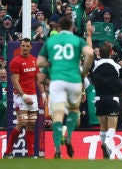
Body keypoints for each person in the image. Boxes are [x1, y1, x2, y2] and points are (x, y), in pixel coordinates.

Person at [36, 16, 94, 158]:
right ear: (72, 27)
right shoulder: (77, 40)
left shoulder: (51, 40)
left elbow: (39, 62)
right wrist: (84, 72)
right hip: (74, 80)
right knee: (74, 111)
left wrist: (53, 65)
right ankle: (69, 137)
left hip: (57, 81)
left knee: (57, 115)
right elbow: (90, 53)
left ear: (58, 28)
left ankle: (57, 149)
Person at [3, 38, 47, 158]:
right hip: (20, 96)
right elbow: (14, 81)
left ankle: (31, 154)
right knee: (22, 123)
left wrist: (43, 94)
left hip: (33, 95)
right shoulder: (15, 62)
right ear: (20, 46)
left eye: (27, 46)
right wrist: (23, 96)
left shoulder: (34, 60)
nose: (25, 48)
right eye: (23, 46)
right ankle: (7, 152)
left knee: (31, 124)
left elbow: (38, 79)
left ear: (31, 47)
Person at [90, 43, 122, 159]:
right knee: (112, 128)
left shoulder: (95, 64)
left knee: (103, 128)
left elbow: (90, 69)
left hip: (99, 98)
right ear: (111, 53)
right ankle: (107, 144)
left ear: (99, 53)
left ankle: (105, 153)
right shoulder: (116, 65)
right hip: (112, 98)